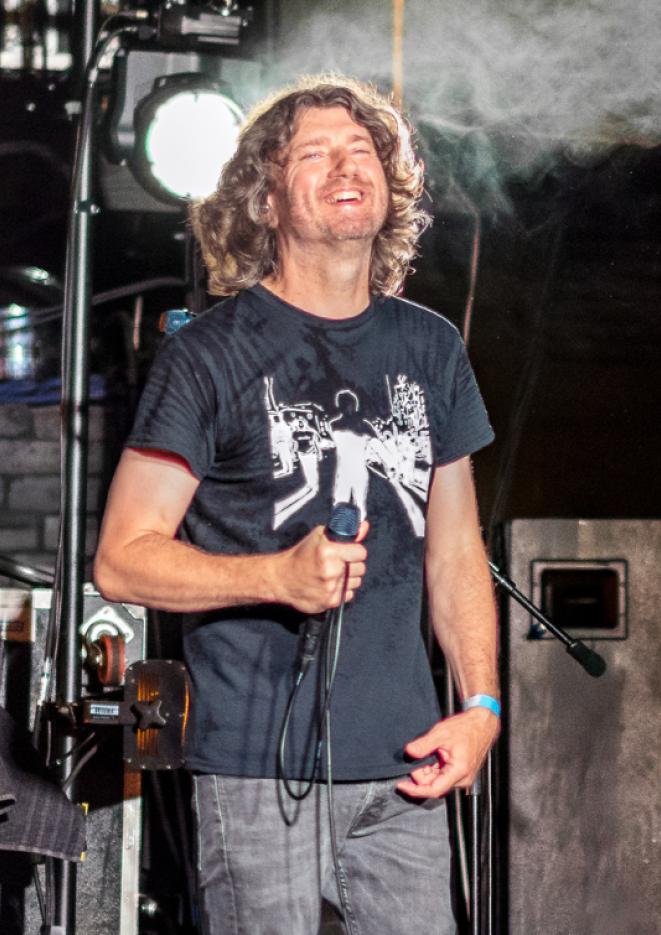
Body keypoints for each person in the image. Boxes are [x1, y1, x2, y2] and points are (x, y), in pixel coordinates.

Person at [94, 74, 500, 935]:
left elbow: (456, 551)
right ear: (265, 199)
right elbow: (124, 556)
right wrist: (277, 574)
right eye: (312, 154)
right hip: (256, 770)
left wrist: (481, 708)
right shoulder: (208, 355)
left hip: (406, 764)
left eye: (362, 151)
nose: (344, 164)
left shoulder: (430, 346)